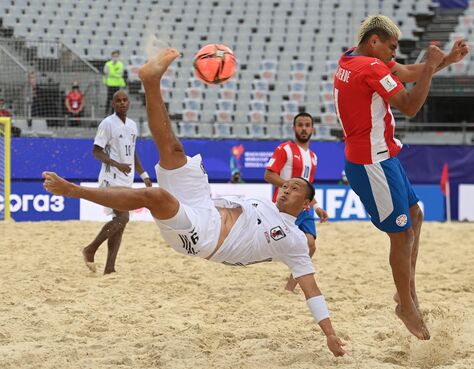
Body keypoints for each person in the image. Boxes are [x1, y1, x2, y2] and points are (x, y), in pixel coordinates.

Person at [42, 48, 346, 357]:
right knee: (174, 150)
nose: (285, 189)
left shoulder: (294, 239)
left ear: (306, 204)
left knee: (155, 196)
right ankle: (150, 81)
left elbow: (313, 290)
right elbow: (264, 186)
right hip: (205, 204)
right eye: (286, 184)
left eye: (294, 189)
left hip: (206, 238)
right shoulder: (267, 204)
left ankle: (75, 190)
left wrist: (330, 335)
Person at [333, 15, 469, 340]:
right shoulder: (370, 68)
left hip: (383, 156)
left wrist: (445, 60)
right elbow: (409, 105)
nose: (394, 55)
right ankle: (405, 305)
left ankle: (405, 291)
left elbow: (404, 73)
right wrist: (433, 66)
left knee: (415, 214)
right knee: (401, 235)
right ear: (375, 41)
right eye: (391, 48)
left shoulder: (352, 58)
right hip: (371, 162)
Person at [84, 89, 152, 274]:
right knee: (123, 217)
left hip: (126, 179)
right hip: (110, 178)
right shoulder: (107, 124)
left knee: (119, 223)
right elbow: (96, 151)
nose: (122, 103)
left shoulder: (132, 125)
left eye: (125, 100)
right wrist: (116, 164)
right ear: (113, 104)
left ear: (129, 103)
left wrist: (143, 174)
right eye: (118, 101)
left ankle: (110, 268)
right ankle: (90, 249)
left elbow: (132, 152)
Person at [264, 112, 329, 292]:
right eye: (300, 125)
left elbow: (308, 188)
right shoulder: (284, 149)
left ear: (312, 129)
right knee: (271, 245)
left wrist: (316, 206)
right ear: (294, 129)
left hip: (305, 208)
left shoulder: (314, 157)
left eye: (307, 125)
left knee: (310, 245)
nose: (304, 128)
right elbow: (268, 174)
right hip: (285, 207)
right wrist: (291, 188)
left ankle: (289, 288)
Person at [103, 50, 126, 115]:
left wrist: (112, 74)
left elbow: (120, 74)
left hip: (117, 84)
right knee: (109, 98)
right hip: (110, 84)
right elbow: (105, 73)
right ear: (112, 56)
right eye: (114, 56)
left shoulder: (120, 64)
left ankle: (113, 112)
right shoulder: (108, 64)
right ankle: (106, 112)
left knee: (116, 99)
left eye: (117, 56)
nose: (115, 57)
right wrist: (105, 81)